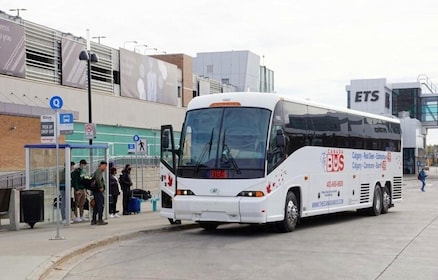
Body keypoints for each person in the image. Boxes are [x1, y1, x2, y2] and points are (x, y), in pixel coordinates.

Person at [91, 161, 108, 225]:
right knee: (100, 205)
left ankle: (94, 220)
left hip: (96, 191)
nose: (105, 167)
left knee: (96, 206)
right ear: (102, 165)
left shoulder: (98, 171)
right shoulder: (99, 171)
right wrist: (101, 187)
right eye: (105, 166)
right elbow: (98, 179)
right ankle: (100, 219)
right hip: (98, 191)